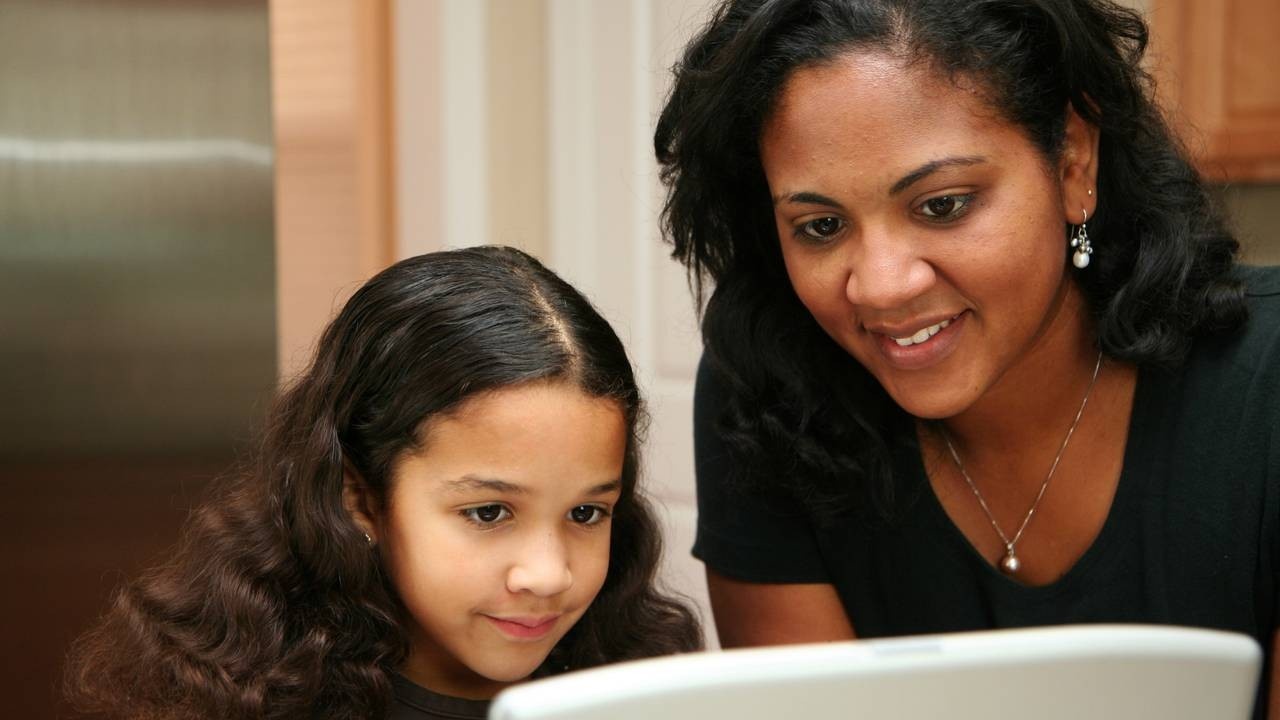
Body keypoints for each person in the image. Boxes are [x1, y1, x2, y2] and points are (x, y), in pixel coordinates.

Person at [654, 0, 1278, 716]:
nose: (881, 285)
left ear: (1073, 160)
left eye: (942, 205)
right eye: (821, 226)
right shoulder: (769, 394)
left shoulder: (1266, 388)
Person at [63, 246, 702, 720]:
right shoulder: (231, 702)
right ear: (361, 499)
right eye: (488, 513)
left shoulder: (647, 693)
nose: (548, 574)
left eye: (587, 514)